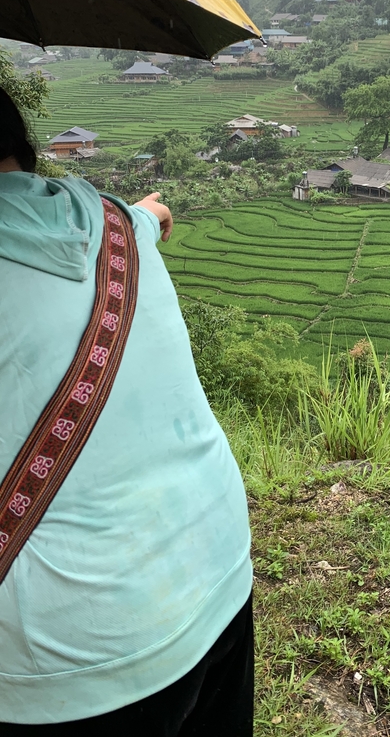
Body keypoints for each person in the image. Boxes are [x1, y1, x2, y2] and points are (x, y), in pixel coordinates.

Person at [0, 89, 253, 735]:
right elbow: (153, 215)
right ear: (26, 156)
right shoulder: (110, 219)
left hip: (77, 653)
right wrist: (143, 214)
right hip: (215, 565)